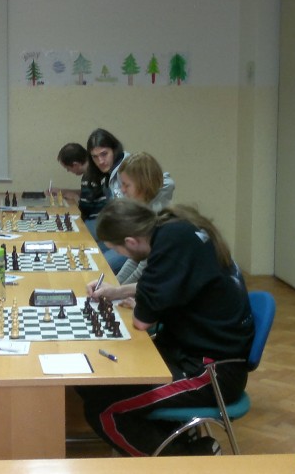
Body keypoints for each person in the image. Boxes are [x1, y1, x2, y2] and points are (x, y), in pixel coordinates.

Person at [75, 198, 255, 457]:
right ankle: (180, 438)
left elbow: (142, 320)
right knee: (91, 382)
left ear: (131, 242)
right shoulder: (175, 229)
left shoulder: (169, 246)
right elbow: (168, 284)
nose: (123, 256)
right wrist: (117, 292)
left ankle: (187, 461)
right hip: (193, 353)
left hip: (211, 371)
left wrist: (142, 303)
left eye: (119, 250)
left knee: (103, 410)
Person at [114, 152, 176, 288]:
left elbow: (143, 269)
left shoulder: (158, 216)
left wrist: (117, 291)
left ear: (143, 184)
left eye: (126, 185)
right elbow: (135, 258)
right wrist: (115, 285)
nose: (122, 190)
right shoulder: (143, 207)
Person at [86, 128, 130, 272]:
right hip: (120, 234)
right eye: (95, 157)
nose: (100, 161)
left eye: (104, 154)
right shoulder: (110, 173)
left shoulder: (129, 166)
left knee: (97, 267)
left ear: (114, 150)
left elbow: (166, 182)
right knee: (89, 256)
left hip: (135, 239)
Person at [56, 142, 106, 222]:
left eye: (67, 168)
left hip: (96, 221)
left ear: (75, 165)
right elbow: (89, 193)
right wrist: (63, 191)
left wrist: (76, 198)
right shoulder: (96, 169)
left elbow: (84, 210)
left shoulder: (88, 177)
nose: (68, 171)